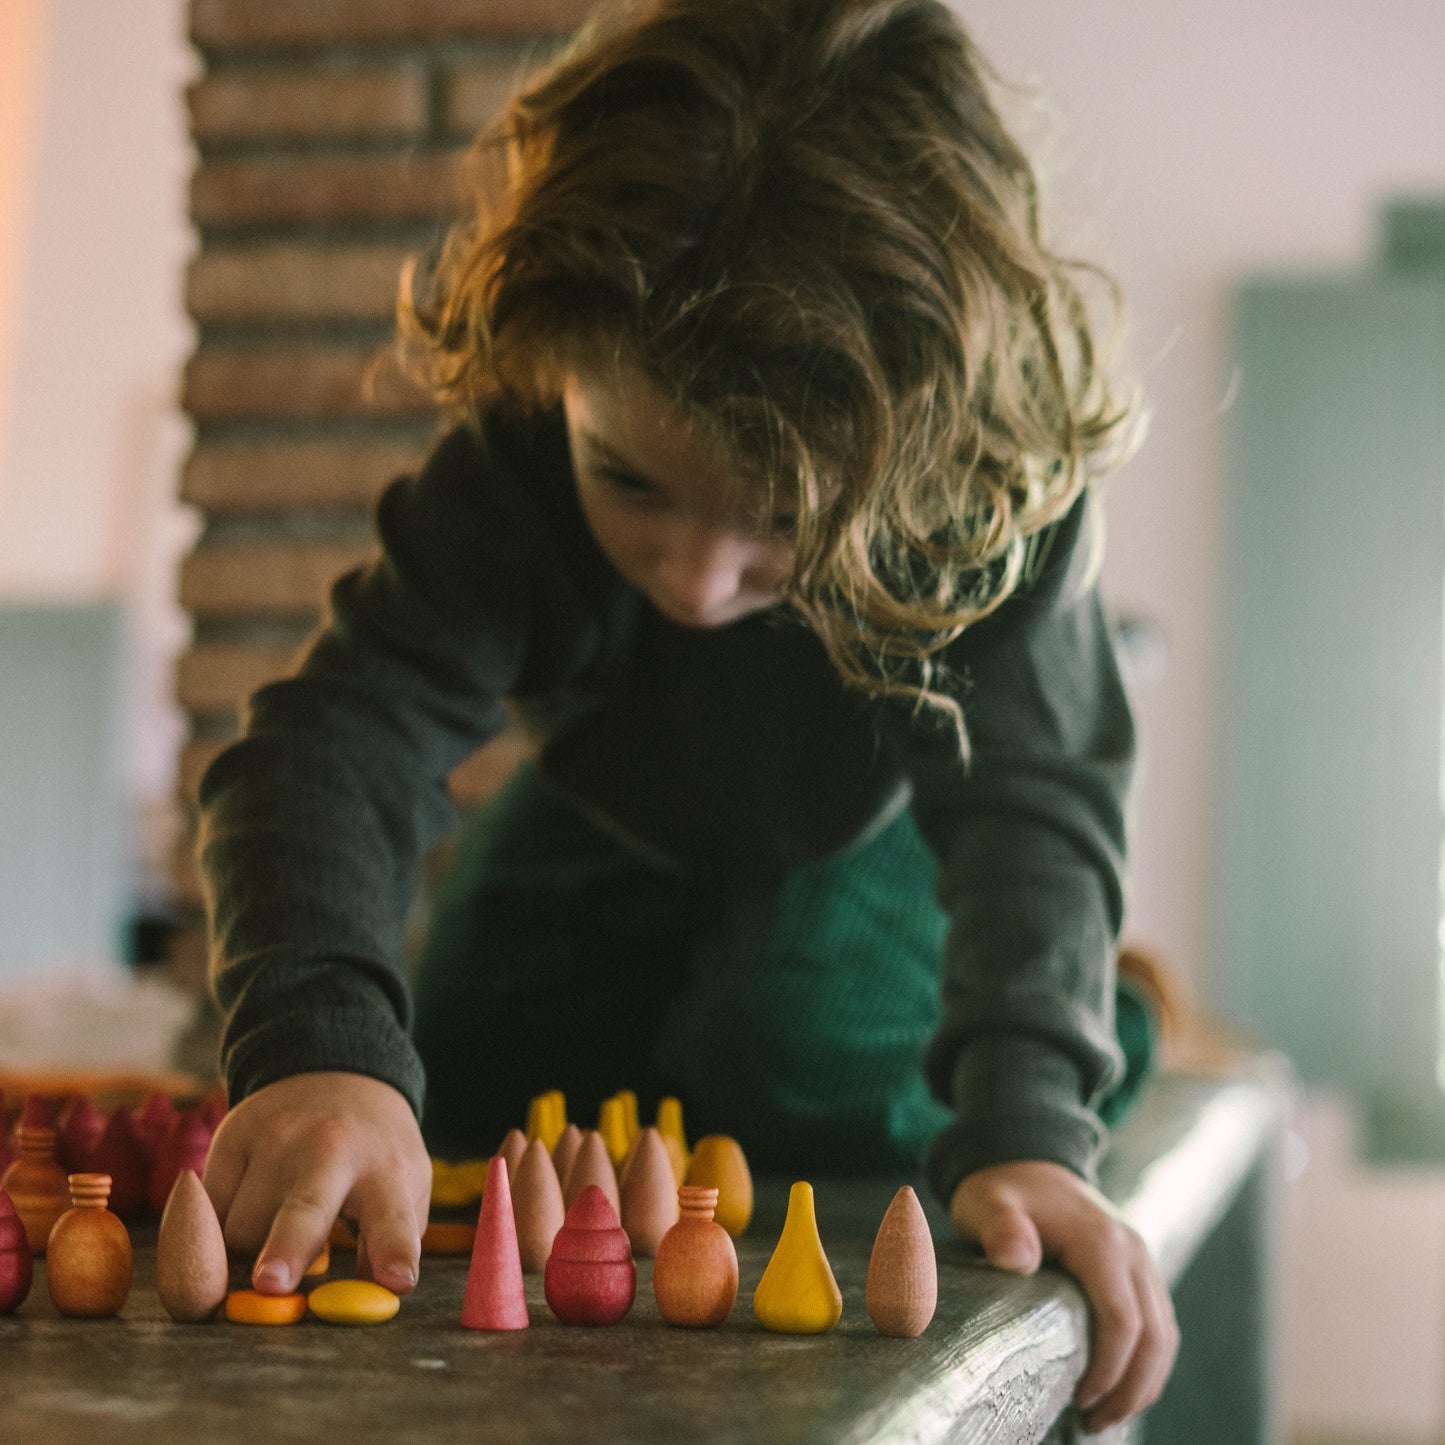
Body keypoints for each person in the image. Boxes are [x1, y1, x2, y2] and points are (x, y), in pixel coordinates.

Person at [197, 0, 1177, 1428]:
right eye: (631, 482)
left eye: (773, 524)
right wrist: (321, 1044)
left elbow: (1033, 804)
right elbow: (336, 736)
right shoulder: (531, 430)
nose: (693, 584)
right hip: (603, 800)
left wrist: (1031, 1125)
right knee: (462, 1084)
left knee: (782, 1053)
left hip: (873, 826)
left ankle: (1119, 1020)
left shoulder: (989, 484)